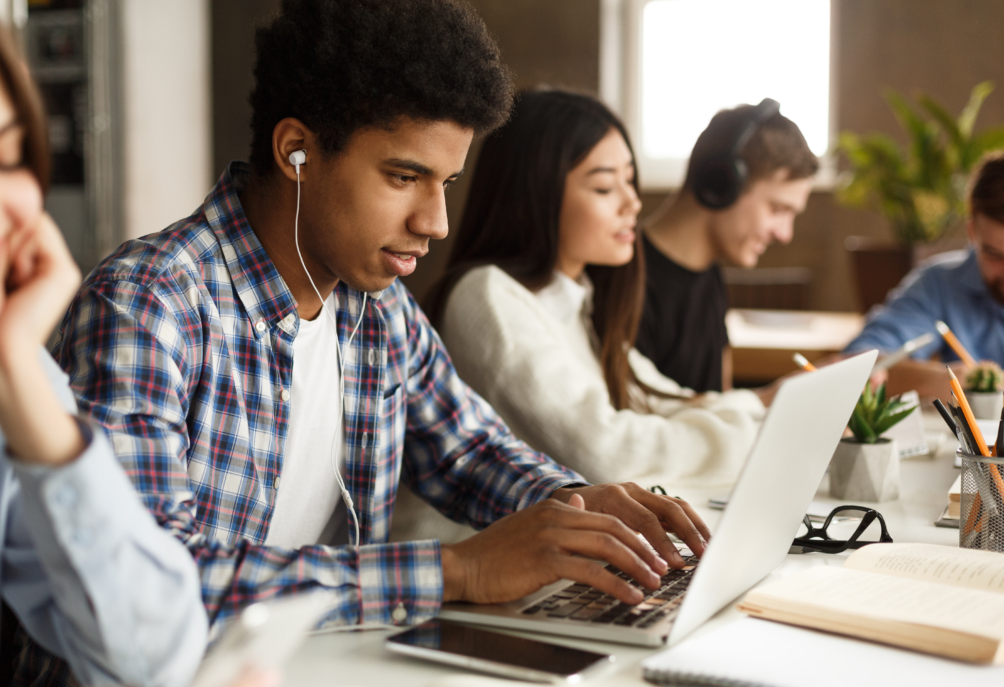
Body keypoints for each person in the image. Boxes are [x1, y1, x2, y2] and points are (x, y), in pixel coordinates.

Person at [43, 1, 712, 679]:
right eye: (404, 177)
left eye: (446, 182)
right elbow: (153, 588)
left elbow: (470, 452)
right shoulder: (147, 304)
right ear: (295, 151)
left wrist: (582, 510)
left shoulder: (376, 307)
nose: (437, 221)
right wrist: (458, 568)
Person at [0, 2, 209, 686]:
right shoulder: (153, 291)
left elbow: (150, 659)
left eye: (4, 155)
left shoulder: (0, 381)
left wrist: (18, 381)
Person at [419, 89, 765, 492]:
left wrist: (763, 404)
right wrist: (758, 432)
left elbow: (662, 401)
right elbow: (609, 454)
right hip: (471, 549)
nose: (632, 203)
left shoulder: (576, 302)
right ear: (536, 194)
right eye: (604, 188)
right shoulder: (487, 297)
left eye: (630, 181)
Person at [636, 101, 818, 393]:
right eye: (778, 209)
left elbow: (721, 404)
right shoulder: (625, 280)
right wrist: (770, 399)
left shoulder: (709, 273)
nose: (785, 234)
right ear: (722, 184)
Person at [842, 153, 1004, 400]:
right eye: (995, 254)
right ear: (972, 233)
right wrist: (938, 381)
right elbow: (858, 361)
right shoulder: (939, 284)